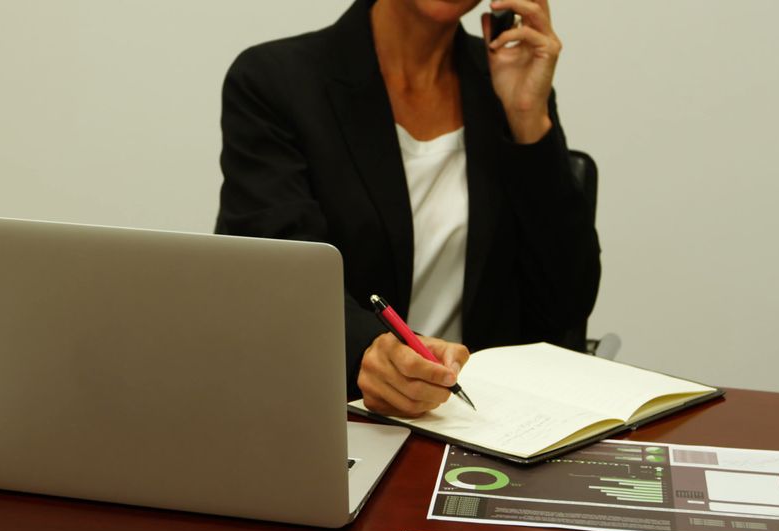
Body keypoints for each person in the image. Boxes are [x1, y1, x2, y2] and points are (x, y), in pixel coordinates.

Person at [215, 0, 600, 417]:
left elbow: (565, 306)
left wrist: (527, 117)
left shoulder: (504, 78)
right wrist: (368, 348)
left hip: (477, 422)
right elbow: (277, 280)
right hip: (333, 416)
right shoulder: (277, 81)